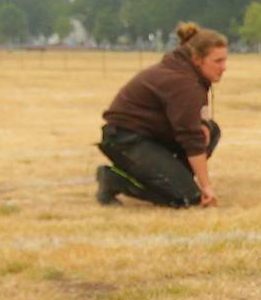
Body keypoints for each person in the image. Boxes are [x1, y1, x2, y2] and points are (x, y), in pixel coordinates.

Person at [96, 22, 228, 207]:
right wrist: (206, 187)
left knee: (211, 130)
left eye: (225, 60)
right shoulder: (183, 83)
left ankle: (176, 181)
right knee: (186, 199)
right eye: (218, 61)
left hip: (149, 136)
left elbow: (195, 125)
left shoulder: (188, 72)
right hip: (125, 139)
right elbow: (190, 137)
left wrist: (204, 126)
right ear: (197, 59)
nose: (224, 67)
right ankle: (114, 180)